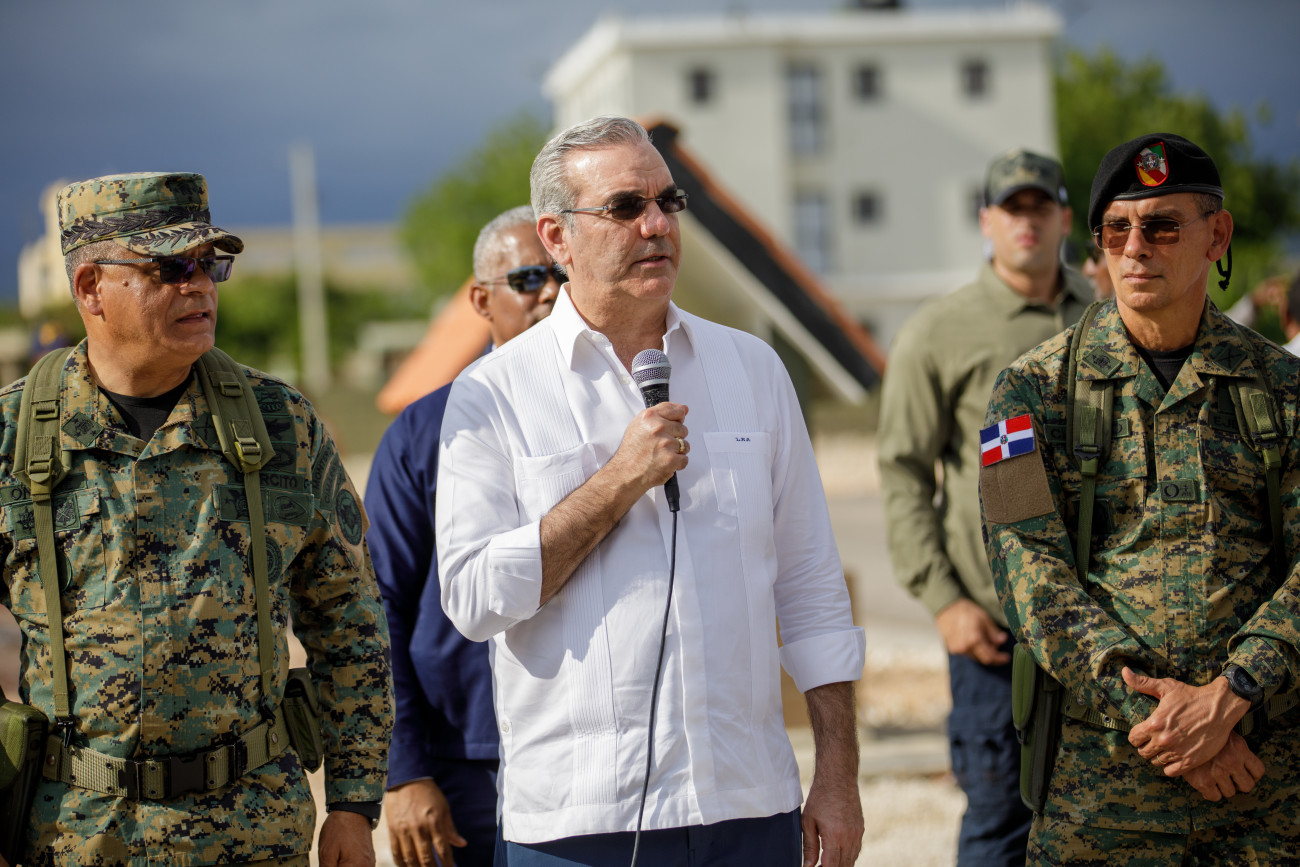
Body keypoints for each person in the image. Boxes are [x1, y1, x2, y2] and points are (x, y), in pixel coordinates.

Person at [435, 116, 865, 867]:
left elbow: (811, 587)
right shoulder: (492, 394)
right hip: (579, 825)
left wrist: (837, 774)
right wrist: (618, 480)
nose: (657, 224)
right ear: (557, 238)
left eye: (669, 202)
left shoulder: (753, 369)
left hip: (747, 805)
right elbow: (473, 600)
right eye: (626, 207)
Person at [0, 172, 393, 867]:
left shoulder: (281, 424)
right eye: (171, 268)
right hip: (75, 836)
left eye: (210, 264)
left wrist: (354, 805)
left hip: (253, 832)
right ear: (90, 287)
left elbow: (349, 621)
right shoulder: (13, 437)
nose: (201, 287)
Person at [981, 133, 1300, 862]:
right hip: (1102, 801)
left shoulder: (1284, 391)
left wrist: (1234, 694)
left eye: (1161, 227)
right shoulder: (1028, 393)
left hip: (1262, 795)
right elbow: (1028, 574)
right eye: (1115, 230)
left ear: (1217, 235)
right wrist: (1171, 726)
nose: (1134, 249)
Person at [878, 148, 1090, 866]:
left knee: (1109, 828)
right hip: (998, 636)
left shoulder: (1107, 312)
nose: (1026, 221)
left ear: (1064, 218)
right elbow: (904, 472)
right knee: (1001, 826)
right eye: (1011, 208)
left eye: (1040, 206)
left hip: (1107, 626)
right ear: (986, 222)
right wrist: (945, 602)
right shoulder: (939, 331)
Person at [365, 205, 560, 867]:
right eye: (528, 278)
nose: (551, 292)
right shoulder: (426, 432)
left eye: (562, 275)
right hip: (466, 761)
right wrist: (404, 771)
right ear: (481, 300)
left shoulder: (616, 414)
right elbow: (377, 604)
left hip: (587, 751)